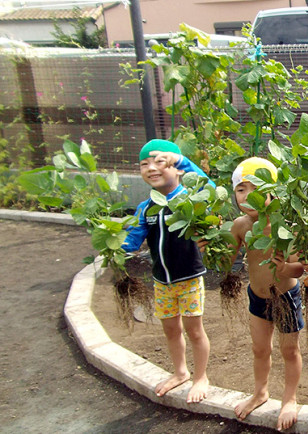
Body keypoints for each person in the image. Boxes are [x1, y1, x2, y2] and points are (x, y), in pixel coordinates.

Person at [122, 139, 212, 403]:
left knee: (195, 330)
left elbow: (208, 187)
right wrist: (115, 244)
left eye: (160, 161)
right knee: (171, 329)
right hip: (161, 281)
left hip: (189, 278)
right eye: (144, 163)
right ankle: (181, 372)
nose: (151, 167)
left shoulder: (189, 199)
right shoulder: (145, 207)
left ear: (178, 169)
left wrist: (184, 160)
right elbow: (133, 240)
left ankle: (201, 376)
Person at [228, 157, 307, 431]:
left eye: (257, 187)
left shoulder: (286, 225)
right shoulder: (240, 226)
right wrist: (208, 244)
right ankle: (260, 392)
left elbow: (299, 269)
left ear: (274, 191)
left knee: (289, 349)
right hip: (257, 296)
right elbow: (225, 262)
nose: (248, 195)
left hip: (285, 297)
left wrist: (286, 267)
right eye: (241, 188)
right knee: (259, 349)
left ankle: (290, 398)